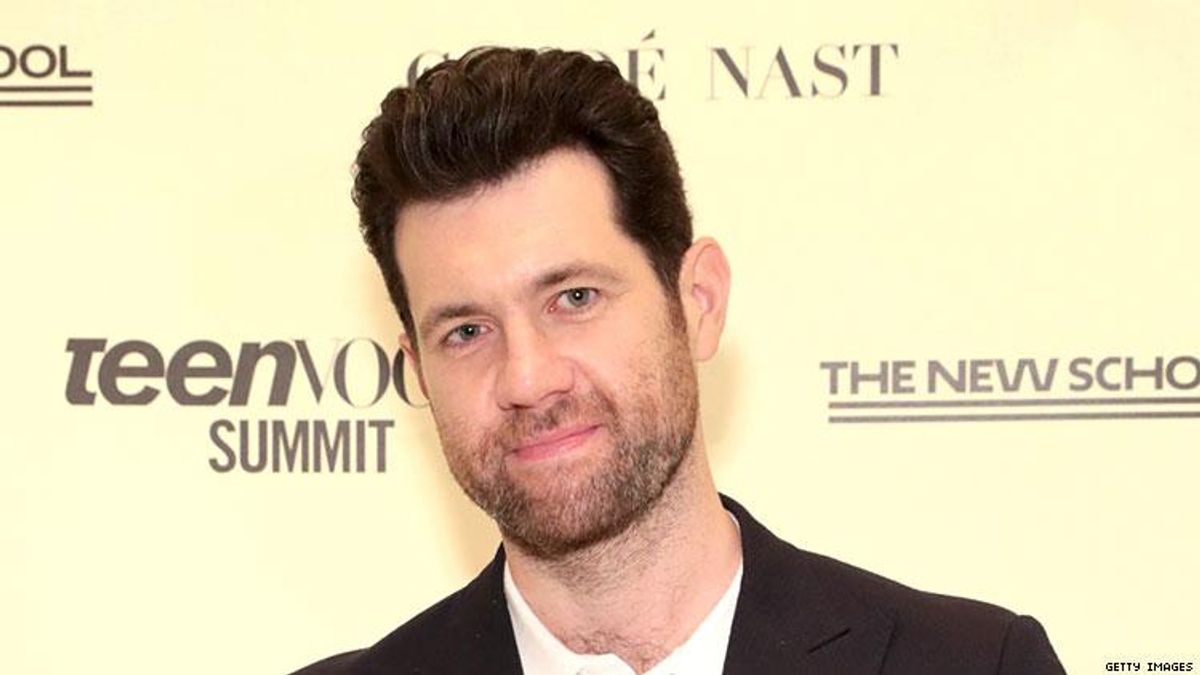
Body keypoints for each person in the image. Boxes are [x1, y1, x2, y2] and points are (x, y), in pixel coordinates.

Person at [293, 47, 1065, 675]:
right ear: (417, 370)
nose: (527, 378)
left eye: (574, 297)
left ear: (697, 300)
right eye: (466, 331)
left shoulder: (973, 663)